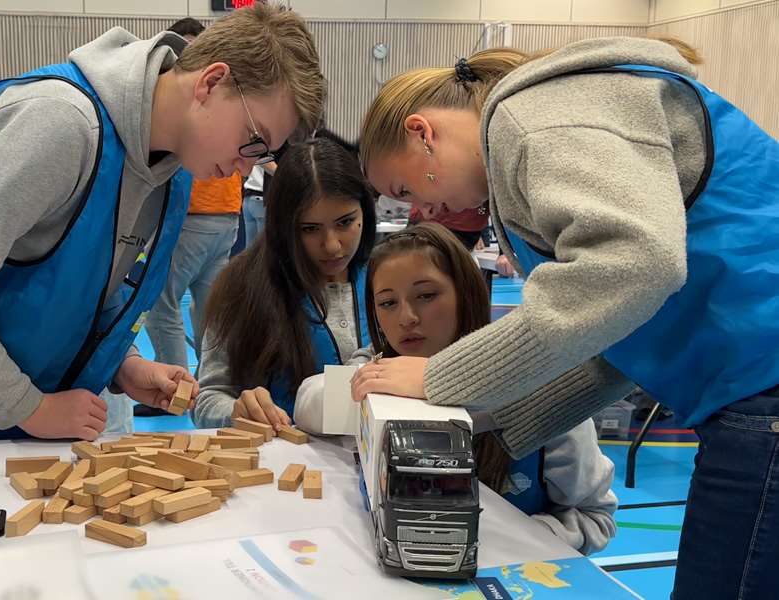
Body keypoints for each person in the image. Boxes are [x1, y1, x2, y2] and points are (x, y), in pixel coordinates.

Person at [353, 36, 779, 598]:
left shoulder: (530, 120)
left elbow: (636, 265)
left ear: (421, 132)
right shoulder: (542, 129)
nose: (420, 212)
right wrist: (486, 415)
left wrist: (440, 378)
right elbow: (617, 330)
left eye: (404, 188)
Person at [0, 3, 325, 508]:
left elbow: (92, 288)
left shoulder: (172, 172)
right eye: (254, 141)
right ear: (211, 82)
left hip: (28, 401)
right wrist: (30, 407)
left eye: (262, 155)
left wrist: (125, 365)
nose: (247, 169)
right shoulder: (62, 125)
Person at [296, 223, 616, 554]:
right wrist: (370, 391)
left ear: (466, 293)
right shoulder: (375, 367)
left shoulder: (536, 382)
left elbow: (594, 517)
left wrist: (490, 542)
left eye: (426, 296)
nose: (406, 317)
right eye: (388, 303)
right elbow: (307, 403)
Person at [192, 137, 376, 430]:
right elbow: (208, 400)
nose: (331, 245)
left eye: (345, 222)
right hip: (282, 464)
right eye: (310, 229)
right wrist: (238, 411)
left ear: (365, 210)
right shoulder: (243, 287)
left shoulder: (388, 278)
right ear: (282, 226)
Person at [138, 17, 246, 417]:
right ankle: (207, 387)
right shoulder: (222, 111)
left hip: (200, 216)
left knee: (162, 301)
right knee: (209, 307)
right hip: (226, 218)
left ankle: (176, 390)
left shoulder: (209, 112)